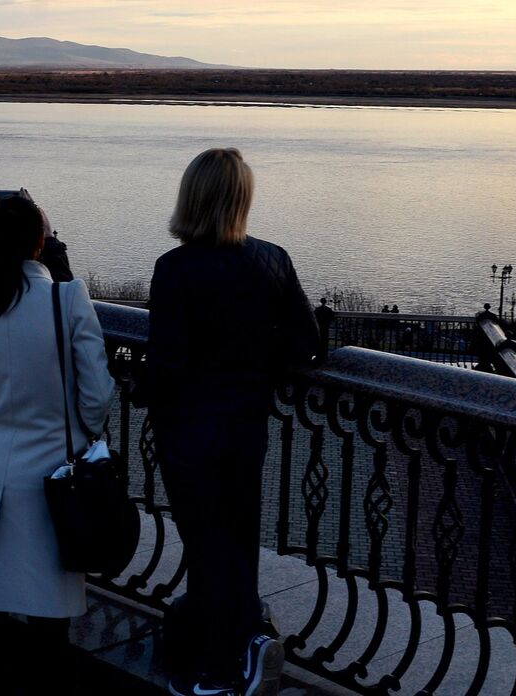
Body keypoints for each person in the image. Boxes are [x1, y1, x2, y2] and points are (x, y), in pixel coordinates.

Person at [148, 148, 321, 696]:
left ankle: (217, 667)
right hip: (245, 428)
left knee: (203, 544)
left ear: (190, 197)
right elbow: (308, 345)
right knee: (238, 538)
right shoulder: (273, 260)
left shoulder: (173, 270)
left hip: (187, 433)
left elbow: (167, 364)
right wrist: (257, 356)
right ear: (241, 199)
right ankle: (236, 645)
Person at [0, 194, 110, 690]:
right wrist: (75, 429)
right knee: (48, 621)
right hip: (53, 479)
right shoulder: (67, 298)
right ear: (41, 242)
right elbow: (96, 396)